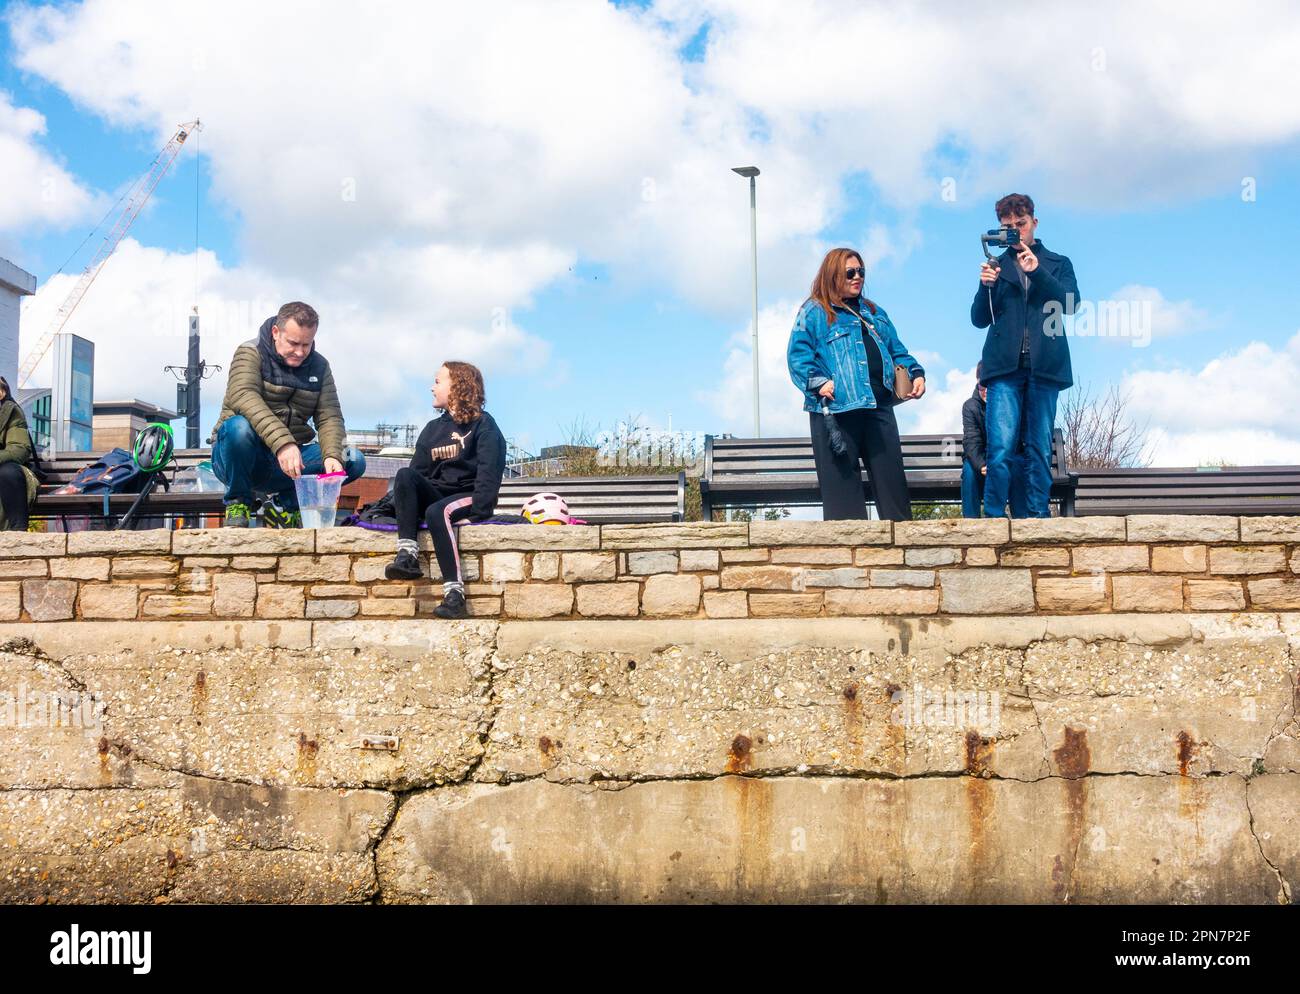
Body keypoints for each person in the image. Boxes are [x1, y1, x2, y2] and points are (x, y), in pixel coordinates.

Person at [787, 247, 926, 521]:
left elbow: (897, 349)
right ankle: (849, 559)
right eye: (850, 272)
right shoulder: (814, 311)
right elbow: (797, 356)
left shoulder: (875, 312)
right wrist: (818, 383)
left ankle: (901, 558)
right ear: (833, 275)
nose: (857, 277)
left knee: (893, 492)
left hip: (879, 407)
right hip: (837, 410)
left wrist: (916, 373)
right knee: (843, 502)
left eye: (861, 271)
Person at [210, 301, 366, 527]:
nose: (300, 352)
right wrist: (283, 443)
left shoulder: (320, 366)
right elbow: (243, 395)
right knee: (238, 427)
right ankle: (238, 502)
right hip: (240, 459)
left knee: (353, 460)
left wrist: (332, 455)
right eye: (293, 343)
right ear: (276, 332)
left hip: (290, 465)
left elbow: (329, 416)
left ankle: (286, 506)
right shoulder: (250, 353)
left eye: (307, 344)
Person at [971, 193, 1079, 518]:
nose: (1016, 230)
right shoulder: (996, 265)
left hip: (1045, 367)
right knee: (1001, 446)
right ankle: (992, 518)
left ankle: (1038, 519)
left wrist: (1037, 273)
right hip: (1004, 368)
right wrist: (984, 286)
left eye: (1021, 224)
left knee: (1038, 447)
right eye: (1008, 226)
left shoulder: (1058, 263)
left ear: (1034, 222)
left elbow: (1071, 304)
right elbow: (979, 319)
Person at [383, 361, 506, 620]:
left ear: (457, 386)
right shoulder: (432, 429)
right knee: (405, 475)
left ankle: (454, 596)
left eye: (438, 381)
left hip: (467, 495)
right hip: (438, 495)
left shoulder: (484, 425)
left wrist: (478, 512)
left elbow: (489, 473)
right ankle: (407, 556)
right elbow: (417, 475)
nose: (431, 387)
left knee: (437, 511)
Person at [961, 362, 1028, 518]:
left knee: (1017, 466)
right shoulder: (970, 406)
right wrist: (981, 464)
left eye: (989, 387)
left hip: (1007, 458)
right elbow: (971, 440)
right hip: (982, 461)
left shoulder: (1011, 405)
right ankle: (970, 523)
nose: (985, 391)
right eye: (981, 387)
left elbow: (1017, 441)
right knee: (969, 470)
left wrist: (1000, 461)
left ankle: (1022, 520)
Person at [0, 376, 38, 531]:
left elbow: (19, 449)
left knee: (8, 472)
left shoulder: (10, 411)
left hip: (7, 468)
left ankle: (17, 532)